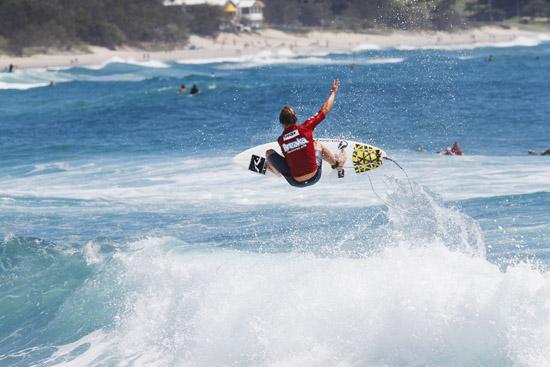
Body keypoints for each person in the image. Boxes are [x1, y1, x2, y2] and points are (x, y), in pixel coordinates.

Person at [265, 79, 346, 188]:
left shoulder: (281, 140)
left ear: (281, 123)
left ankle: (277, 172)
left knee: (269, 153)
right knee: (317, 144)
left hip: (295, 182)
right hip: (315, 176)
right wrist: (333, 92)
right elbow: (325, 109)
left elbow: (291, 158)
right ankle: (336, 164)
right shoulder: (306, 128)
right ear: (296, 118)